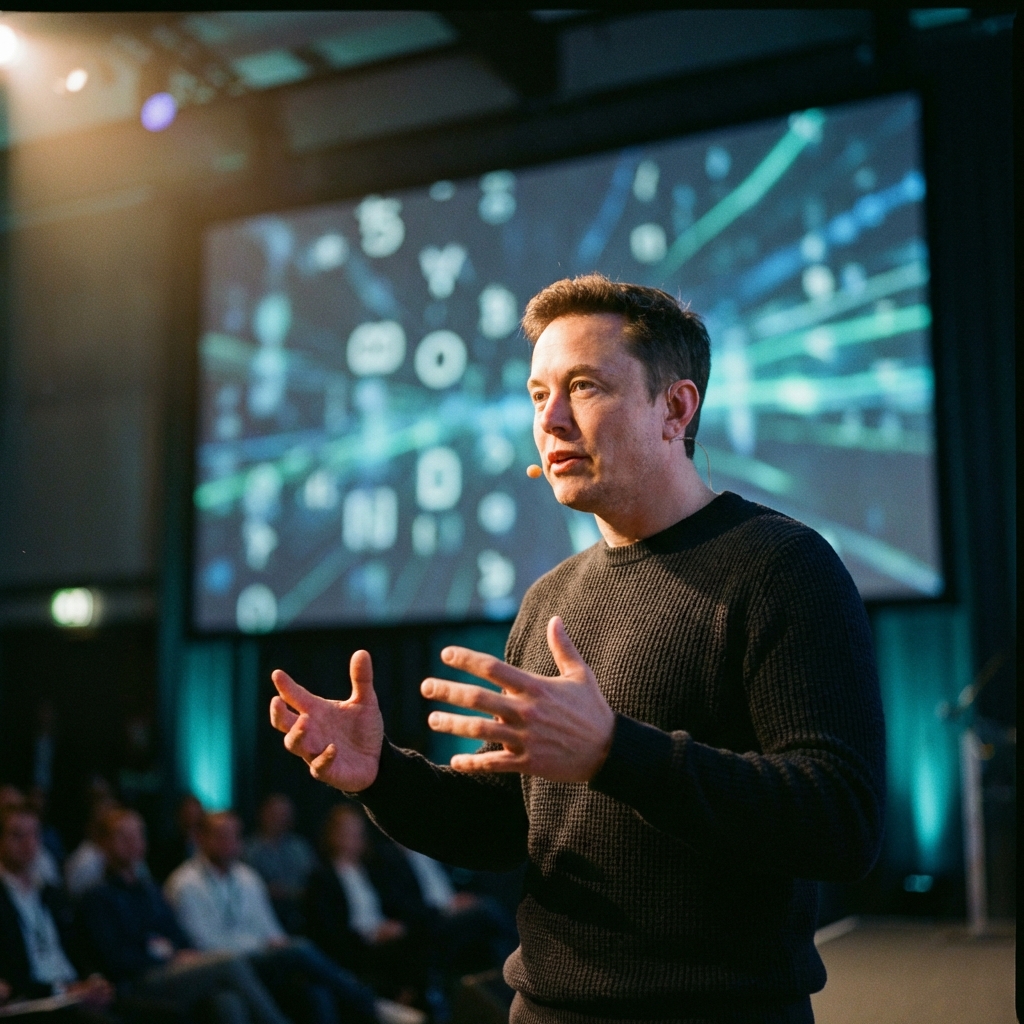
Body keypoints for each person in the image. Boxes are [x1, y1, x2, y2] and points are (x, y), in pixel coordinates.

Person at [269, 275, 886, 1024]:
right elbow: (506, 827)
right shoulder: (550, 599)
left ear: (676, 407)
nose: (550, 419)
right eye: (537, 394)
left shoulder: (783, 568)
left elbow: (841, 821)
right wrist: (381, 778)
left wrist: (613, 751)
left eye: (584, 386)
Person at [165, 811, 424, 1024]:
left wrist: (275, 942)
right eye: (222, 836)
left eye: (235, 836)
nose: (230, 843)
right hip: (225, 965)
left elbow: (270, 928)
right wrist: (264, 946)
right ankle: (372, 1005)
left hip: (262, 958)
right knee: (299, 950)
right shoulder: (185, 884)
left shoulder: (247, 877)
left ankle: (372, 1004)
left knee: (315, 990)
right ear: (201, 838)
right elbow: (202, 944)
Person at [79, 806, 290, 1024]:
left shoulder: (150, 891)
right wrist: (163, 953)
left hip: (169, 971)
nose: (134, 841)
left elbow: (177, 935)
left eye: (139, 834)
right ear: (104, 844)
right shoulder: (97, 897)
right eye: (124, 836)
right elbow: (115, 959)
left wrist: (177, 951)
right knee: (228, 962)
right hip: (136, 981)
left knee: (227, 1001)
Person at [304, 805, 427, 999]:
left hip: (384, 933)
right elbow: (328, 929)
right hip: (355, 945)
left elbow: (392, 904)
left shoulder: (372, 869)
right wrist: (370, 935)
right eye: (347, 832)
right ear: (333, 834)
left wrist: (394, 925)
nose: (354, 838)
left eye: (358, 832)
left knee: (422, 929)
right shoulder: (322, 878)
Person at [0, 804, 113, 1012]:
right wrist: (61, 990)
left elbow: (79, 945)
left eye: (34, 834)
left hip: (72, 991)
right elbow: (11, 974)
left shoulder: (50, 892)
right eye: (17, 836)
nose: (28, 843)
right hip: (33, 1001)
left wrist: (93, 979)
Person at [244, 794, 316, 934]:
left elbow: (314, 884)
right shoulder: (248, 850)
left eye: (284, 814)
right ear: (262, 814)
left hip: (302, 915)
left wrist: (288, 892)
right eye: (274, 814)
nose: (279, 819)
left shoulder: (300, 848)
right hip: (262, 916)